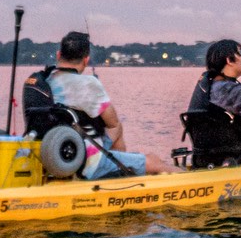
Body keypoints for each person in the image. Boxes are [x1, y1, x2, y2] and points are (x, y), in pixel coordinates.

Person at [34, 30, 173, 178]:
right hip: (87, 161)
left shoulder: (44, 82)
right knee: (154, 161)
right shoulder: (89, 84)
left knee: (116, 131)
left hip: (55, 154)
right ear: (86, 60)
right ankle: (124, 173)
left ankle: (120, 170)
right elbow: (112, 122)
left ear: (58, 55)